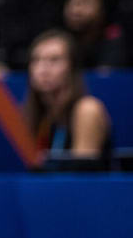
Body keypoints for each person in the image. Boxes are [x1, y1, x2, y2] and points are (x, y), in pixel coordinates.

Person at [24, 30, 112, 167]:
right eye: (36, 60)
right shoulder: (37, 116)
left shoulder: (87, 110)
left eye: (54, 60)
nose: (43, 68)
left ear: (72, 67)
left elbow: (80, 177)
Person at [60, 0, 127, 70]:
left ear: (102, 8)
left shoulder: (114, 38)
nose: (75, 8)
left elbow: (105, 79)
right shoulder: (59, 40)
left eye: (86, 1)